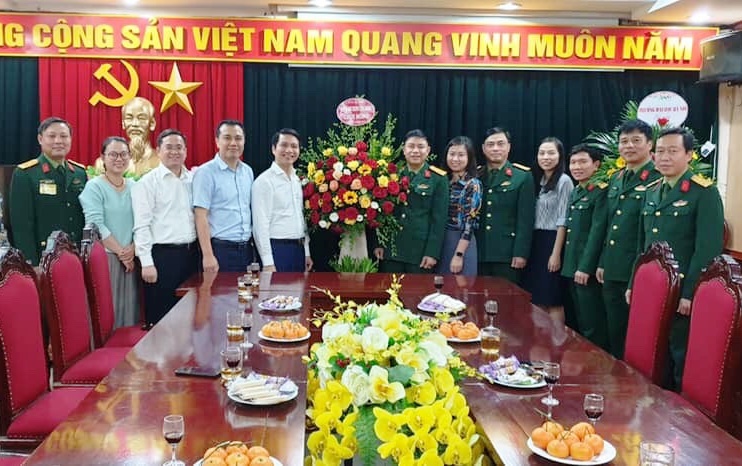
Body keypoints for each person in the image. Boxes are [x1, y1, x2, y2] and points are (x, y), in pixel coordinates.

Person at [628, 127, 724, 390]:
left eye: (672, 151)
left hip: (682, 292)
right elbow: (643, 245)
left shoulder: (703, 192)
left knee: (679, 354)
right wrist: (633, 283)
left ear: (689, 154)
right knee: (649, 354)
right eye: (660, 151)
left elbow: (707, 250)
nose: (664, 157)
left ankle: (680, 410)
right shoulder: (651, 190)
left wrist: (690, 293)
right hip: (651, 290)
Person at [595, 119, 661, 359]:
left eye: (636, 140)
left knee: (638, 336)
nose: (629, 146)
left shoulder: (657, 177)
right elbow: (611, 226)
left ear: (650, 144)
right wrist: (602, 261)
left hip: (638, 267)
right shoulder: (616, 177)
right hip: (613, 267)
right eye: (624, 141)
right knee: (614, 330)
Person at [132, 129, 198, 326]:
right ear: (158, 151)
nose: (174, 152)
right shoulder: (147, 183)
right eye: (169, 147)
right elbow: (141, 225)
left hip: (192, 255)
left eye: (179, 147)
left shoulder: (193, 180)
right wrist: (146, 262)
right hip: (162, 257)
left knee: (190, 316)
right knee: (162, 319)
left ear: (186, 151)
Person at [78, 136, 139, 327]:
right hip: (106, 257)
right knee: (106, 311)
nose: (119, 159)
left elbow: (143, 221)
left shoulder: (135, 186)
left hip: (132, 257)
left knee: (130, 310)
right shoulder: (94, 187)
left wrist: (133, 248)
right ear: (103, 157)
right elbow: (96, 224)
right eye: (113, 154)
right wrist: (121, 253)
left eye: (123, 154)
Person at [9, 117, 87, 265]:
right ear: (40, 139)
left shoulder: (79, 173)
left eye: (64, 136)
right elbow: (22, 225)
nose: (58, 141)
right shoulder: (26, 174)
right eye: (52, 136)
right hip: (44, 256)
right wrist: (31, 262)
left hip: (76, 254)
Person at [374, 129, 448, 273]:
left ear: (428, 150)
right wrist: (379, 243)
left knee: (417, 287)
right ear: (404, 149)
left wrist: (432, 253)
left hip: (419, 251)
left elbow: (439, 220)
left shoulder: (438, 178)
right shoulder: (391, 174)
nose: (415, 151)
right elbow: (381, 213)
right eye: (411, 146)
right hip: (391, 248)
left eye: (420, 147)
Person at [561, 144, 609, 349]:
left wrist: (585, 267)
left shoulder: (600, 192)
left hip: (586, 268)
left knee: (592, 323)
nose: (577, 167)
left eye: (582, 162)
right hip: (572, 264)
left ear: (596, 165)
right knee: (579, 319)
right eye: (573, 162)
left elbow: (597, 233)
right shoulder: (577, 191)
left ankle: (596, 361)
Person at [522, 137, 573, 323]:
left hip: (553, 241)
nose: (546, 157)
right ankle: (541, 338)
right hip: (537, 241)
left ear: (560, 156)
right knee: (538, 297)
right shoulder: (540, 180)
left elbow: (563, 220)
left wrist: (556, 254)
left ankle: (557, 339)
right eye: (542, 153)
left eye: (551, 153)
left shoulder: (564, 181)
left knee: (552, 298)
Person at [193, 120, 254, 273]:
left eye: (238, 138)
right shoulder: (206, 173)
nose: (233, 143)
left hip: (247, 249)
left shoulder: (247, 171)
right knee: (220, 290)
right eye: (227, 138)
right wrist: (208, 255)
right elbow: (200, 216)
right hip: (220, 250)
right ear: (217, 141)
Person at [476, 127, 535, 284]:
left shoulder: (522, 176)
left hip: (507, 253)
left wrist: (520, 253)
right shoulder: (476, 175)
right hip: (478, 251)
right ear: (483, 148)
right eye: (491, 144)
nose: (495, 148)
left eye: (500, 144)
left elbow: (525, 220)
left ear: (508, 147)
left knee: (506, 296)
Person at [252, 128, 313, 272]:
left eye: (294, 146)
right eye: (284, 145)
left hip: (298, 250)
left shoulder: (297, 179)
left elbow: (301, 217)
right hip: (277, 250)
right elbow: (260, 225)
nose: (289, 150)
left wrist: (306, 252)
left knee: (301, 288)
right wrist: (267, 262)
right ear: (274, 149)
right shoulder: (264, 181)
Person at [437, 136, 482, 276]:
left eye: (461, 155)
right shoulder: (442, 180)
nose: (455, 159)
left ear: (469, 157)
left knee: (459, 286)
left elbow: (470, 223)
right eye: (452, 154)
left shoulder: (473, 184)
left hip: (460, 242)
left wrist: (459, 255)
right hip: (441, 240)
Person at [122, 97, 159, 177]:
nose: (135, 124)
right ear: (123, 123)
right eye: (129, 118)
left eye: (141, 118)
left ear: (152, 123)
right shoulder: (106, 164)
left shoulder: (165, 162)